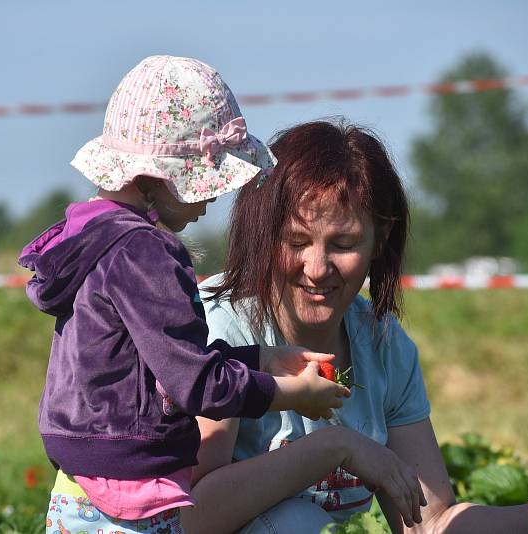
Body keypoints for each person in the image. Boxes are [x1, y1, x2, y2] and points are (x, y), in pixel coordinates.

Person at [182, 119, 528, 533]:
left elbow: (429, 522)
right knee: (297, 523)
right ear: (264, 236)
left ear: (379, 240)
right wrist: (333, 447)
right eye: (296, 241)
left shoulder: (381, 343)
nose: (317, 268)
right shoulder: (219, 328)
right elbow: (188, 516)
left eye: (343, 245)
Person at [18, 57, 370, 534]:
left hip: (79, 486)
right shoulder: (147, 254)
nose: (210, 202)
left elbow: (156, 369)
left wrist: (262, 358)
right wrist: (290, 394)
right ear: (161, 178)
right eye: (207, 186)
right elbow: (194, 385)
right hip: (131, 498)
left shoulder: (89, 238)